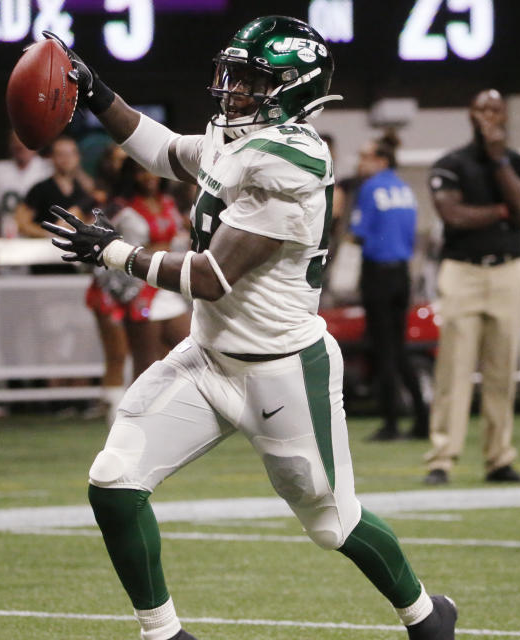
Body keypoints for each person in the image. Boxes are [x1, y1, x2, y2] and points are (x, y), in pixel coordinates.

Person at [40, 17, 456, 640]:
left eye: (251, 79)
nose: (232, 89)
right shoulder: (238, 139)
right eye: (233, 74)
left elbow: (212, 276)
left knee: (331, 524)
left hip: (281, 372)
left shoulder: (295, 160)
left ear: (291, 87)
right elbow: (164, 149)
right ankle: (164, 633)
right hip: (208, 359)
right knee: (114, 479)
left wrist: (114, 253)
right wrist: (96, 91)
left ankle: (427, 617)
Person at [423, 88, 520, 485]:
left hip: (508, 271)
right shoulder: (450, 163)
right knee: (453, 369)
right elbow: (453, 215)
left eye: (494, 109)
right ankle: (442, 457)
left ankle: (499, 458)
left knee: (502, 370)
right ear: (470, 115)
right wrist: (500, 212)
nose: (488, 116)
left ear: (505, 115)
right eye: (480, 109)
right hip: (462, 271)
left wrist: (499, 160)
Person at [85, 158, 192, 422]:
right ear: (130, 176)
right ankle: (130, 420)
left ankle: (177, 412)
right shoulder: (118, 209)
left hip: (168, 288)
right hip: (139, 291)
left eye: (152, 172)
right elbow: (96, 245)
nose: (148, 177)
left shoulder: (169, 202)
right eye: (141, 172)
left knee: (192, 350)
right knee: (144, 362)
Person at [350, 133, 429, 441]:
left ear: (381, 160)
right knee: (399, 348)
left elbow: (359, 233)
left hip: (378, 274)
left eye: (366, 156)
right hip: (401, 273)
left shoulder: (370, 189)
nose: (360, 163)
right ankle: (421, 417)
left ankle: (391, 420)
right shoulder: (403, 189)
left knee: (382, 349)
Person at [0, 130, 53, 238]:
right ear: (10, 146)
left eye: (24, 144)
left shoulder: (49, 168)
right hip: (7, 240)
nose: (21, 148)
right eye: (17, 145)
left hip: (41, 240)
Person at [15, 135, 93, 238]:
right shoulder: (40, 189)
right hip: (45, 248)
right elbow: (22, 224)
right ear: (51, 157)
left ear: (77, 157)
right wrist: (49, 233)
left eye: (70, 154)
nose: (66, 159)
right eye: (61, 154)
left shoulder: (84, 190)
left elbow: (91, 221)